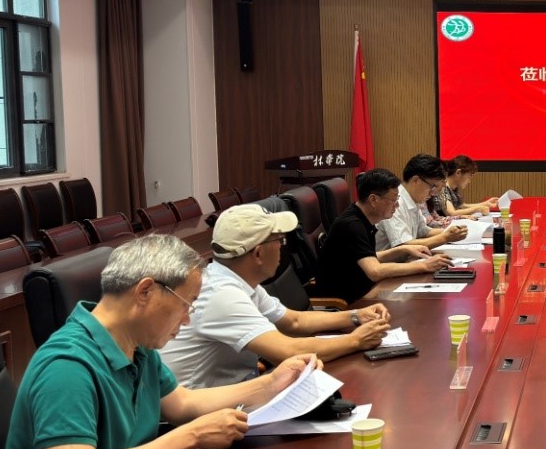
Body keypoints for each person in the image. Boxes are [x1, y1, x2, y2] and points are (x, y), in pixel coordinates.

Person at [4, 235, 321, 449]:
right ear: (145, 292)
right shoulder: (66, 368)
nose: (187, 320)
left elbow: (182, 404)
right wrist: (192, 436)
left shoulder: (137, 345)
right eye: (187, 304)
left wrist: (271, 384)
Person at [160, 204, 391, 388]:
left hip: (239, 395)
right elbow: (287, 351)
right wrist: (355, 340)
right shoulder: (221, 295)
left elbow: (293, 321)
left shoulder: (238, 281)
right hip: (202, 416)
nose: (282, 247)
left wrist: (355, 316)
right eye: (279, 240)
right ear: (258, 253)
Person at [316, 167, 453, 303]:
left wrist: (403, 249)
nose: (397, 206)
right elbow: (375, 271)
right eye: (393, 200)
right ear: (373, 200)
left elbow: (368, 257)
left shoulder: (361, 218)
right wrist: (425, 266)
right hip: (349, 301)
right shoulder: (352, 225)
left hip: (366, 290)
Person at [375, 153, 469, 252]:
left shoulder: (413, 199)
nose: (433, 193)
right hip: (392, 260)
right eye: (433, 186)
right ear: (416, 180)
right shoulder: (395, 202)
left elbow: (424, 232)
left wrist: (453, 232)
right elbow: (403, 245)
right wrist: (445, 237)